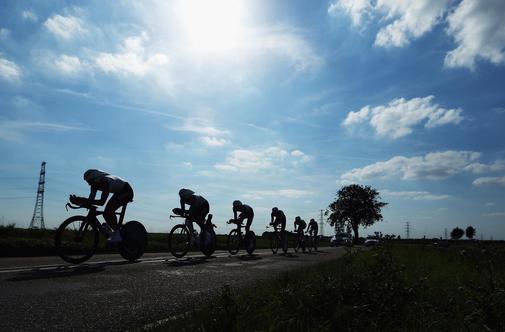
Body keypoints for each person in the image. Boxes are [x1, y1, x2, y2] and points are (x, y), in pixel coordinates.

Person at [70, 169, 134, 244]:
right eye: (87, 182)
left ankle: (117, 234)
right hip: (118, 192)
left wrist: (83, 200)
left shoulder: (105, 181)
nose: (89, 184)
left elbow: (101, 202)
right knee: (107, 212)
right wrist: (79, 202)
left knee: (108, 211)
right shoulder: (94, 185)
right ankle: (117, 230)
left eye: (89, 181)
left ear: (95, 178)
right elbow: (90, 201)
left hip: (126, 191)